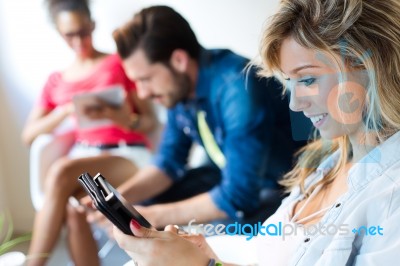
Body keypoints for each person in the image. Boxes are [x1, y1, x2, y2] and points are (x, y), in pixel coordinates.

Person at [112, 0, 400, 265]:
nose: (295, 104)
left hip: (262, 193)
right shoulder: (326, 163)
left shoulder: (389, 197)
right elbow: (268, 248)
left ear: (370, 67)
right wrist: (203, 249)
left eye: (308, 79)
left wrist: (207, 264)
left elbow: (238, 197)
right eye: (291, 82)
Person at [89, 5, 305, 230]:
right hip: (227, 173)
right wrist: (116, 199)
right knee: (144, 203)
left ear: (179, 60)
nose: (142, 93)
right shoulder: (178, 88)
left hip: (283, 185)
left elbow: (238, 195)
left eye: (146, 79)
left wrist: (155, 216)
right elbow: (168, 162)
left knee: (221, 232)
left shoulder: (236, 86)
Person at [21, 0, 157, 265]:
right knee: (73, 210)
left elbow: (150, 121)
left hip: (126, 155)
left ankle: (32, 263)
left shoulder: (117, 64)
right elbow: (29, 135)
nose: (79, 40)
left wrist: (119, 117)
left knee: (61, 171)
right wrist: (63, 111)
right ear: (60, 34)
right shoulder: (56, 81)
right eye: (70, 34)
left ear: (93, 25)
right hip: (84, 158)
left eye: (84, 31)